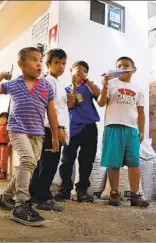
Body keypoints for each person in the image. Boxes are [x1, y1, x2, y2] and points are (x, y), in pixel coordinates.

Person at [0, 47, 60, 227]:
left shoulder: (46, 86)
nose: (39, 64)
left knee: (28, 166)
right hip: (17, 129)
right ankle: (21, 204)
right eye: (34, 59)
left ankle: (6, 197)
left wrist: (55, 136)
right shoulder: (14, 84)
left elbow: (51, 112)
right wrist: (2, 76)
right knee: (27, 159)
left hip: (38, 134)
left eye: (40, 60)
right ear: (21, 64)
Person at [97, 56, 149, 207]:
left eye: (126, 65)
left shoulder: (138, 89)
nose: (122, 68)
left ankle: (135, 195)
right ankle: (114, 193)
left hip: (131, 129)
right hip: (113, 126)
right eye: (119, 66)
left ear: (133, 69)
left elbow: (141, 112)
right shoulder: (111, 84)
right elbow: (101, 103)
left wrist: (141, 130)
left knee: (134, 161)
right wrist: (105, 85)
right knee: (114, 162)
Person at [53, 61, 101, 203]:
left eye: (84, 70)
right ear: (71, 70)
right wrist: (74, 86)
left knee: (87, 160)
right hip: (72, 128)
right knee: (67, 160)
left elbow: (99, 96)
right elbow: (71, 104)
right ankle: (64, 190)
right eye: (78, 69)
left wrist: (86, 81)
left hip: (89, 127)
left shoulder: (89, 87)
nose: (80, 72)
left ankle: (82, 191)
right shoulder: (66, 89)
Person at [28, 48, 69, 212]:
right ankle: (41, 197)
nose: (61, 66)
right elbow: (47, 108)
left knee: (47, 162)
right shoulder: (47, 82)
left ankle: (35, 194)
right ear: (48, 64)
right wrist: (56, 128)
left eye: (64, 63)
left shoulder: (58, 83)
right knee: (48, 164)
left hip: (56, 128)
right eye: (57, 63)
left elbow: (59, 107)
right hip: (49, 128)